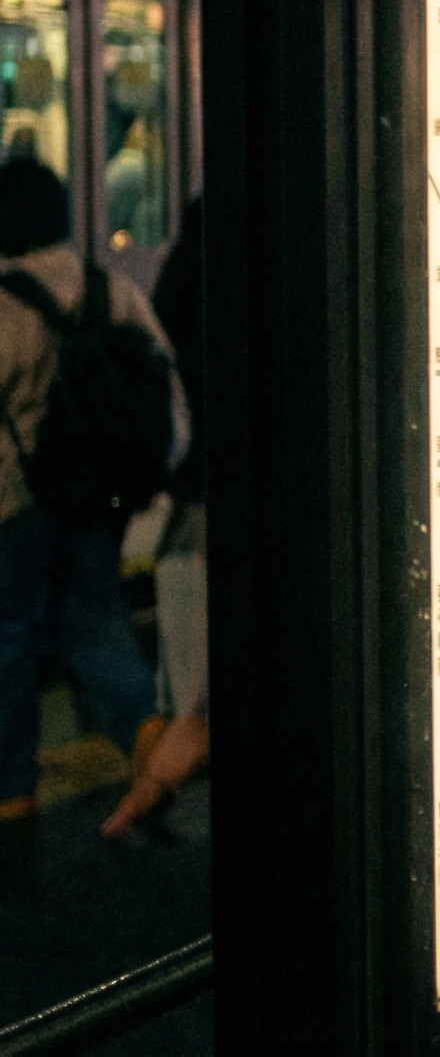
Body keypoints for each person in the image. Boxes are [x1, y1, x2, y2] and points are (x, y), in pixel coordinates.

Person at [0, 158, 171, 834]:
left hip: (14, 507)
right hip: (94, 501)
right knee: (95, 620)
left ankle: (12, 793)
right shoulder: (109, 290)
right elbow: (166, 392)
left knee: (10, 637)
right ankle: (149, 733)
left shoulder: (5, 302)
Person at [105, 196, 204, 837]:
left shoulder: (185, 267)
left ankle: (157, 769)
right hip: (215, 493)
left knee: (194, 678)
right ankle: (160, 767)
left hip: (195, 495)